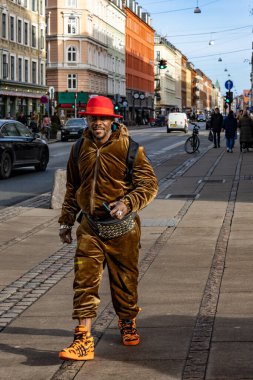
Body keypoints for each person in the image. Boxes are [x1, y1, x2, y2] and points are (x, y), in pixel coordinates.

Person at [58, 96, 158, 361]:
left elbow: (148, 185)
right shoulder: (79, 148)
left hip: (123, 230)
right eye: (93, 118)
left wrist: (128, 202)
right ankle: (83, 340)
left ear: (113, 121)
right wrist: (66, 220)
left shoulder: (130, 148)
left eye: (103, 119)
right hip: (90, 227)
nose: (98, 123)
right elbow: (72, 187)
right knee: (84, 282)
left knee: (124, 283)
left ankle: (127, 320)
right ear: (88, 120)